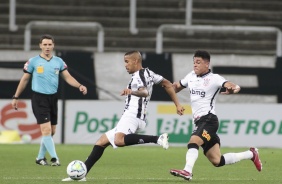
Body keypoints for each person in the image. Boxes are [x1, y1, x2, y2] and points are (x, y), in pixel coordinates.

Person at [62, 50, 185, 181]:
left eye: (127, 62)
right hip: (135, 115)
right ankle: (82, 175)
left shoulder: (139, 75)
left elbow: (144, 92)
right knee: (101, 142)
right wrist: (177, 104)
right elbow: (167, 84)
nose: (125, 65)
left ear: (135, 61)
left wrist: (131, 91)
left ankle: (157, 139)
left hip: (133, 114)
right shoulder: (149, 73)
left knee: (118, 140)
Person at [169, 50, 262, 181]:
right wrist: (168, 87)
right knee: (217, 160)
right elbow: (176, 87)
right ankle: (251, 154)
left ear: (207, 64)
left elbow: (230, 85)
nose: (195, 65)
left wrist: (234, 88)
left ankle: (187, 171)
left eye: (198, 62)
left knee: (193, 142)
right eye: (194, 62)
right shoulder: (190, 76)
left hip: (208, 120)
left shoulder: (214, 78)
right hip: (199, 122)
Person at [11, 34, 87, 166]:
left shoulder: (59, 61)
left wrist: (79, 85)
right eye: (44, 44)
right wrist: (16, 96)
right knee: (46, 130)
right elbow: (24, 79)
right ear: (40, 45)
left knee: (52, 131)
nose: (47, 47)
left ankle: (40, 158)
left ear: (53, 45)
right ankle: (54, 158)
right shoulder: (33, 61)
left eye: (49, 44)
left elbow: (68, 77)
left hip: (53, 98)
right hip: (39, 98)